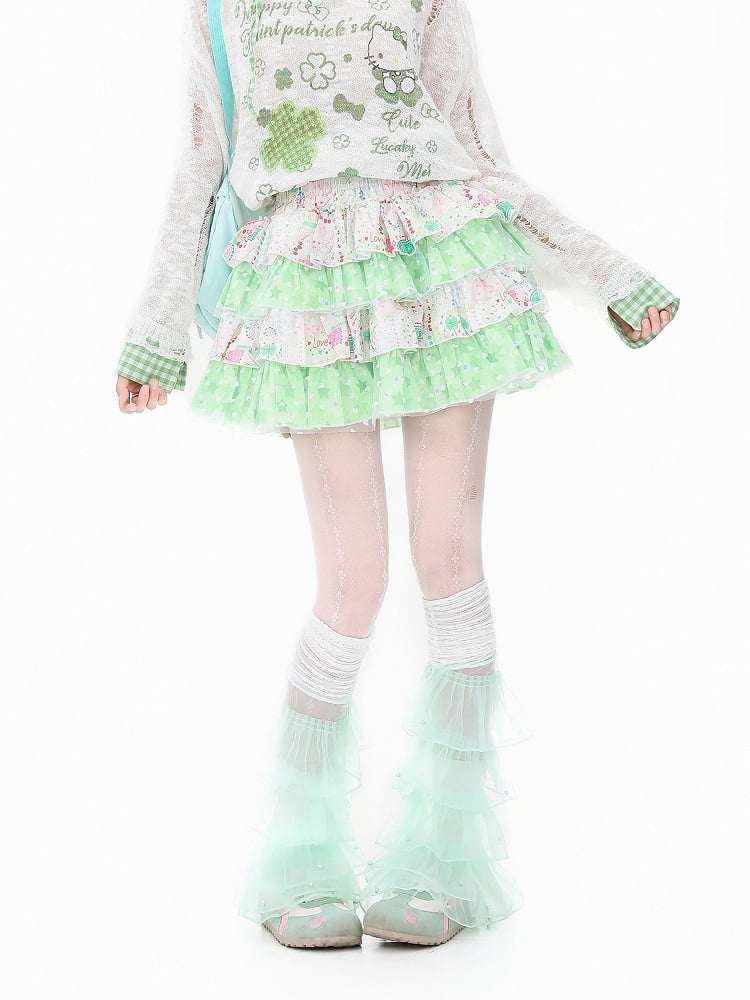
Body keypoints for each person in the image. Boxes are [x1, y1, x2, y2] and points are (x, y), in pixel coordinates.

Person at [114, 0, 679, 948]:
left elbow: (477, 148)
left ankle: (442, 861)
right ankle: (302, 856)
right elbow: (203, 162)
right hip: (304, 278)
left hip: (441, 262)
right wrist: (157, 329)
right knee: (353, 581)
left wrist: (608, 271)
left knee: (447, 561)